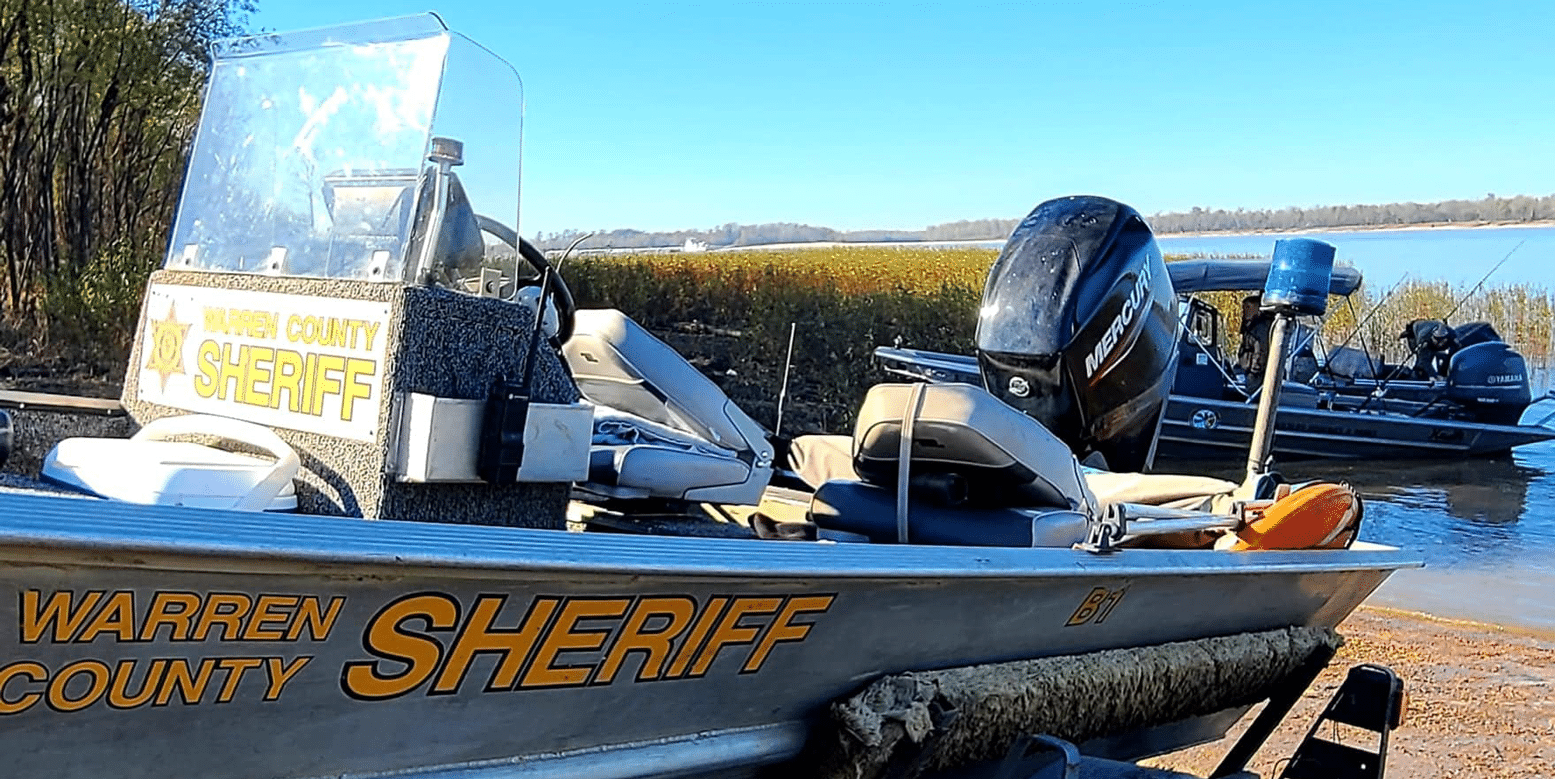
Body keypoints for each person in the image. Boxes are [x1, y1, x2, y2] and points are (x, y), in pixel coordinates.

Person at [1236, 294, 1273, 382]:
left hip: (1255, 375)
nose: (1244, 311)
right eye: (1243, 307)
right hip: (1244, 369)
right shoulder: (1249, 326)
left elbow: (1261, 351)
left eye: (1248, 307)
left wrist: (1253, 372)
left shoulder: (1261, 328)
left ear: (1257, 309)